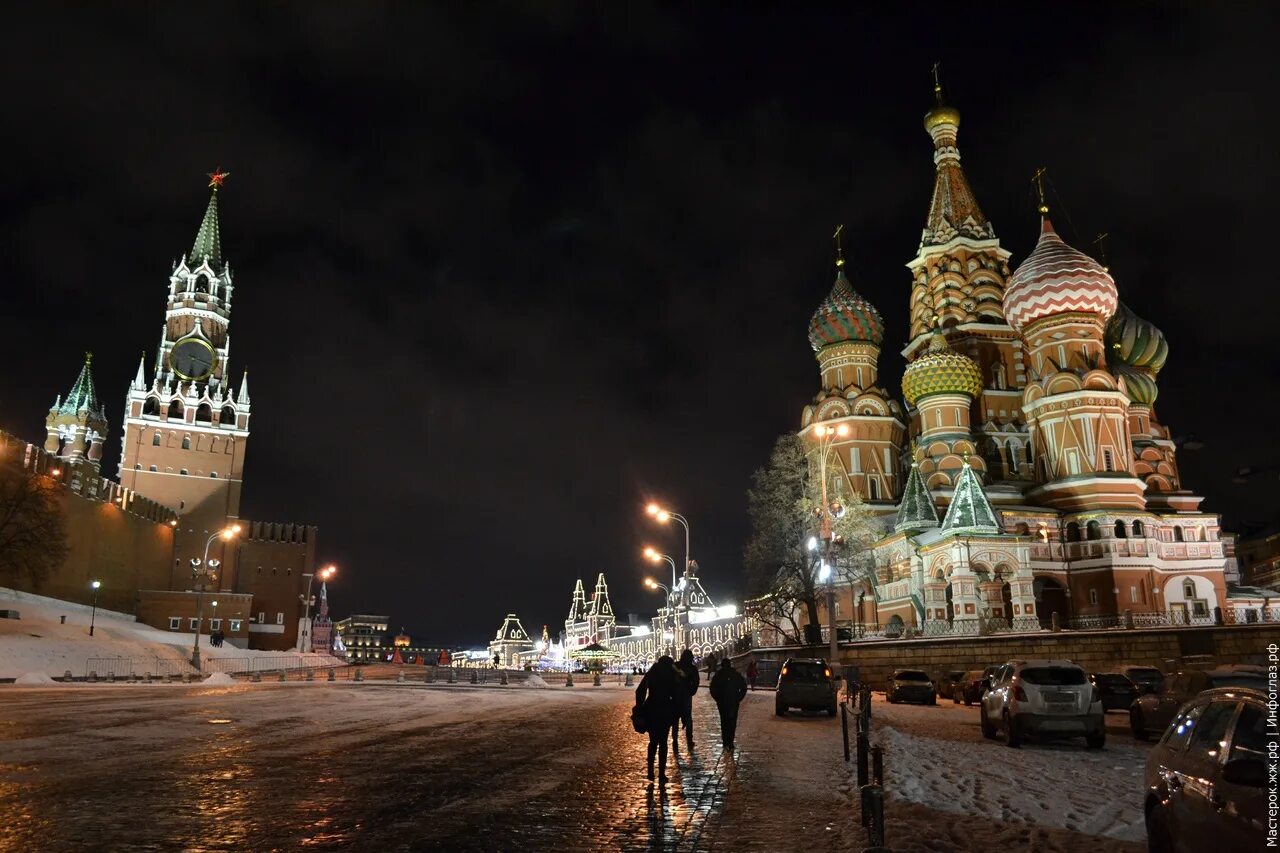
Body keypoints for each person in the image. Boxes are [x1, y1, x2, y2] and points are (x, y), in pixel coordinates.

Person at [635, 655, 680, 784]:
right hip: (666, 709)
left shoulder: (652, 673)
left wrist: (639, 707)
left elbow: (640, 691)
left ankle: (650, 771)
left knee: (653, 741)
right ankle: (661, 773)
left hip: (652, 708)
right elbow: (677, 693)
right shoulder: (672, 674)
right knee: (663, 742)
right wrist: (677, 710)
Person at [709, 657, 748, 750]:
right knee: (732, 722)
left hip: (722, 703)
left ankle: (725, 741)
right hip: (733, 702)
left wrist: (718, 699)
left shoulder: (718, 675)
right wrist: (738, 698)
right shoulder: (736, 674)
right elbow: (743, 687)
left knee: (724, 722)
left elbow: (712, 688)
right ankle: (730, 741)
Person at [672, 649, 700, 751]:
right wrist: (691, 691)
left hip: (675, 697)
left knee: (675, 720)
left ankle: (674, 740)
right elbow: (696, 681)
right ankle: (689, 740)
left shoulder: (675, 666)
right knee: (688, 719)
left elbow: (670, 680)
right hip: (686, 697)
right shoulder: (692, 668)